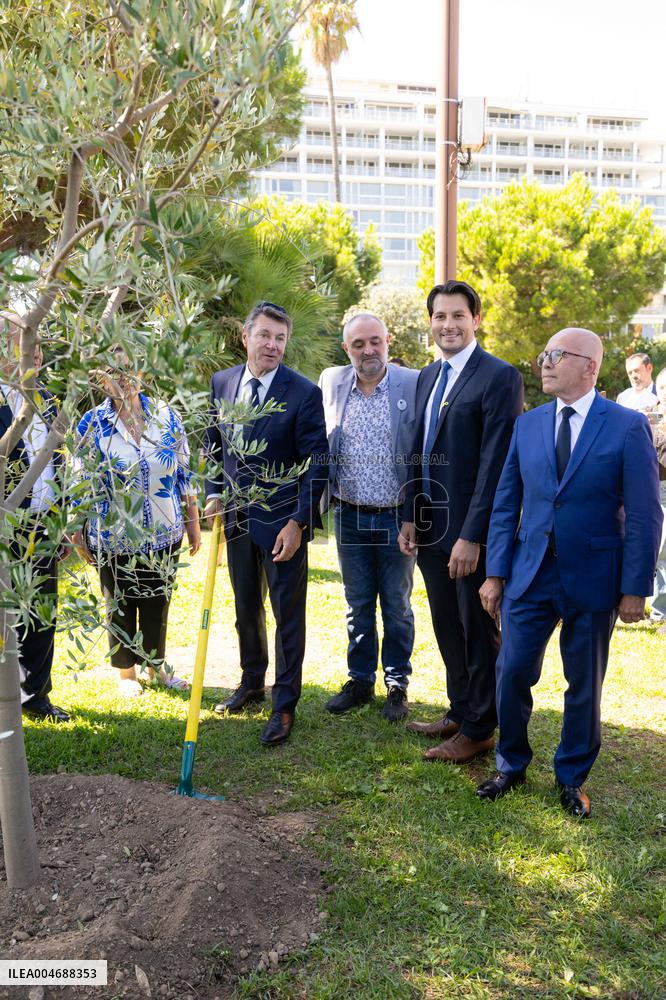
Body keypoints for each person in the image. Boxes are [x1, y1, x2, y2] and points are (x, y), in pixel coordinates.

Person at [477, 328, 662, 818]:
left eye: (558, 355)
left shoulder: (625, 425)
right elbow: (505, 503)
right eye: (544, 353)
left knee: (583, 684)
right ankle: (510, 765)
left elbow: (645, 513)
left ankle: (571, 777)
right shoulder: (528, 425)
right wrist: (496, 573)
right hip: (529, 573)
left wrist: (635, 589)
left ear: (590, 367)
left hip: (595, 577)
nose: (545, 362)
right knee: (512, 669)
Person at [399, 281, 524, 763]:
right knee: (447, 624)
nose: (447, 324)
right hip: (431, 524)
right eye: (439, 316)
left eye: (457, 316)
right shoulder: (428, 376)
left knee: (477, 628)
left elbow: (496, 464)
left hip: (471, 531)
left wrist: (473, 536)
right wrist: (410, 514)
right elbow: (418, 450)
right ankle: (459, 708)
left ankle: (480, 728)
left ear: (476, 319)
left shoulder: (499, 377)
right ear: (429, 322)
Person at [205, 301, 329, 746]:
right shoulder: (222, 383)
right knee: (245, 606)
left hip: (282, 525)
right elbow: (214, 446)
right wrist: (213, 491)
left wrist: (298, 522)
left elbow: (317, 463)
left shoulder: (303, 393)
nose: (273, 345)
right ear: (246, 337)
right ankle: (251, 680)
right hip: (237, 521)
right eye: (265, 336)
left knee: (287, 615)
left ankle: (284, 704)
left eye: (280, 338)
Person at [71, 349, 200, 697]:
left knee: (158, 601)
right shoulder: (92, 423)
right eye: (114, 371)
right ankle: (127, 675)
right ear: (101, 377)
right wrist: (76, 530)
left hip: (164, 531)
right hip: (113, 536)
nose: (123, 377)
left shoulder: (166, 415)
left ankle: (156, 668)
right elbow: (80, 481)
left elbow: (185, 470)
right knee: (119, 603)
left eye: (129, 369)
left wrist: (193, 521)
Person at [319, 314, 419, 722]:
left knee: (396, 604)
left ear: (388, 341)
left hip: (398, 517)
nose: (368, 350)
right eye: (358, 344)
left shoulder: (413, 383)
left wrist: (415, 512)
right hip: (348, 514)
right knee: (356, 603)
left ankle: (396, 684)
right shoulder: (331, 382)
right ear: (347, 349)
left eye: (375, 341)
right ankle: (360, 680)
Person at [0, 311, 69, 722]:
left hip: (45, 525)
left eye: (38, 344)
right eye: (23, 342)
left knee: (43, 611)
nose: (34, 352)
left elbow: (58, 464)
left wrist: (60, 524)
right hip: (6, 528)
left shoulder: (50, 400)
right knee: (6, 613)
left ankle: (37, 697)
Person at [648, 367, 666, 632]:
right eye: (661, 388)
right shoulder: (654, 418)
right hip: (657, 496)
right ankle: (660, 610)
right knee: (660, 559)